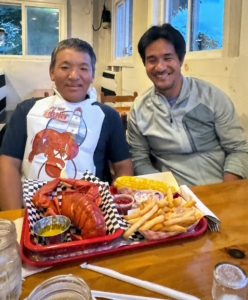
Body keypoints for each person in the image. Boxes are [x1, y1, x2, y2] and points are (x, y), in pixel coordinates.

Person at [0, 38, 133, 210]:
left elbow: (123, 165)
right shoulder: (26, 109)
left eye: (83, 68)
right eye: (65, 67)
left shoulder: (108, 116)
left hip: (90, 210)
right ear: (51, 72)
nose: (73, 76)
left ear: (92, 74)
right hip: (33, 209)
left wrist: (111, 207)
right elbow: (8, 164)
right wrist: (16, 217)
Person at [127, 23, 248, 186]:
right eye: (152, 60)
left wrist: (225, 190)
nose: (160, 67)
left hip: (218, 188)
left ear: (181, 59)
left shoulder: (212, 97)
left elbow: (239, 150)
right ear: (145, 64)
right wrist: (165, 191)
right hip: (172, 198)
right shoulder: (139, 109)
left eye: (168, 58)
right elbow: (139, 160)